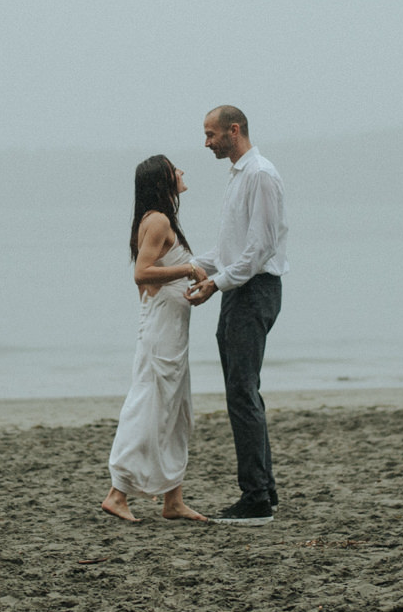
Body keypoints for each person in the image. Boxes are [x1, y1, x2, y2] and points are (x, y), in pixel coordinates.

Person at [185, 105, 288, 525]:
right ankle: (265, 488)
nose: (206, 142)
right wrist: (192, 266)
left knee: (242, 393)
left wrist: (216, 282)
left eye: (211, 134)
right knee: (243, 391)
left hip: (253, 290)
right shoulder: (239, 177)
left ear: (234, 130)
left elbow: (259, 248)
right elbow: (231, 250)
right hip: (237, 289)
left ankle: (256, 498)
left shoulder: (260, 175)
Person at [102, 155, 211, 523]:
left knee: (177, 412)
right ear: (162, 180)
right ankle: (118, 493)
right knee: (148, 408)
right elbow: (142, 273)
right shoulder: (158, 220)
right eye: (175, 169)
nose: (182, 173)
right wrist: (189, 269)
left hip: (174, 331)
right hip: (160, 332)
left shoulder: (162, 221)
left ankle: (173, 499)